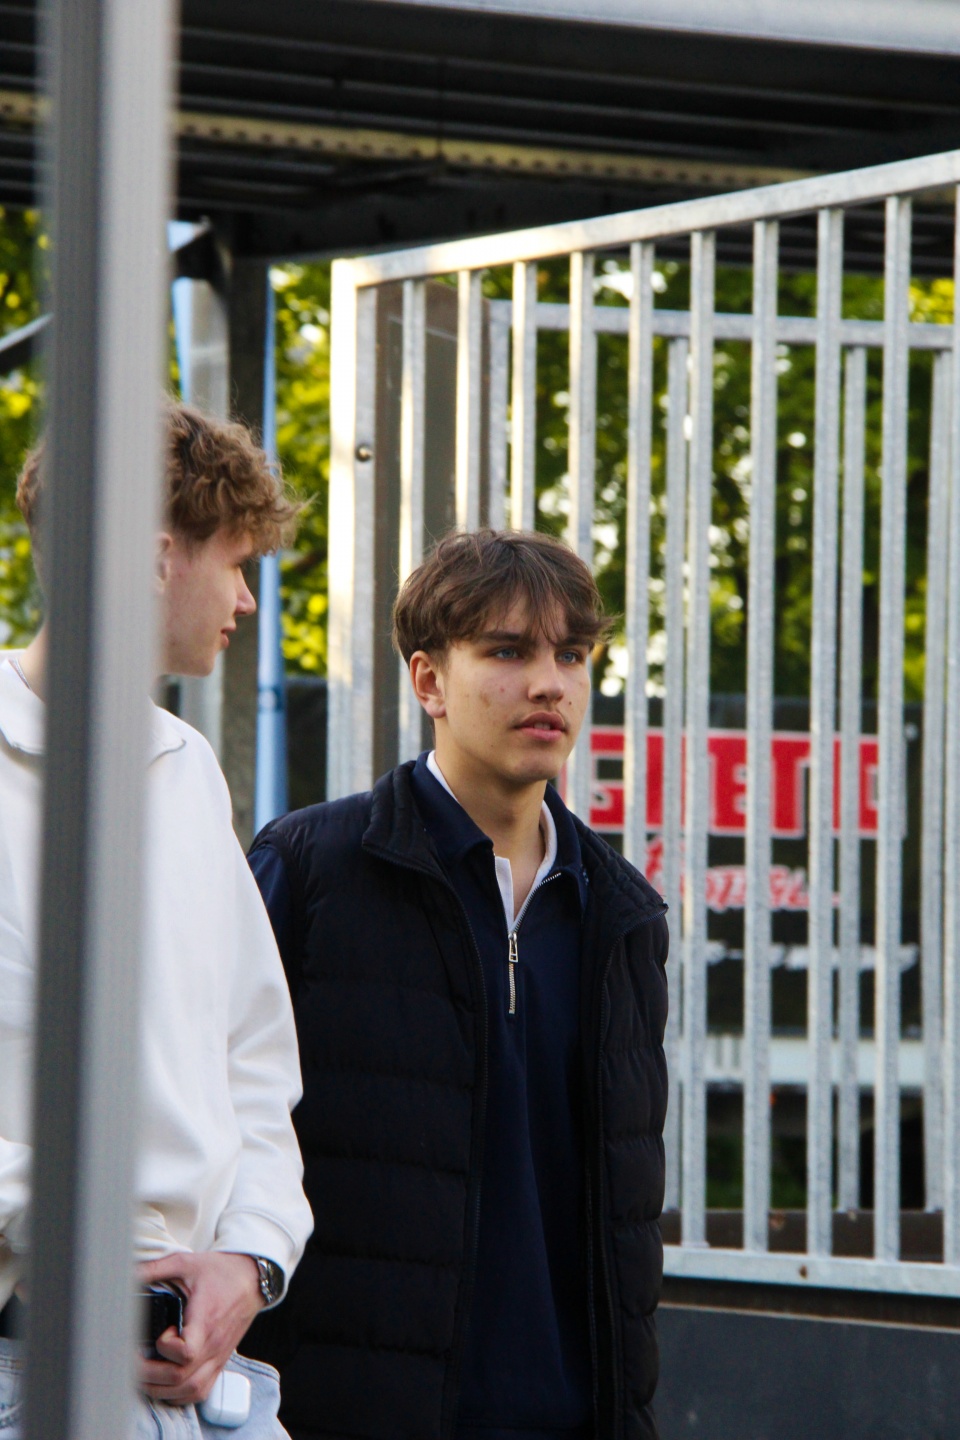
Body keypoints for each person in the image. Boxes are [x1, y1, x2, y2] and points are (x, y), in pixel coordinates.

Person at [245, 528, 669, 1440]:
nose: (549, 683)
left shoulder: (622, 915)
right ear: (429, 680)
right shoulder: (312, 869)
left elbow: (623, 1224)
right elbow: (222, 1122)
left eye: (571, 655)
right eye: (508, 652)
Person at [0, 402, 314, 1438]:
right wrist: (84, 1228)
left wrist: (251, 1259)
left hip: (201, 1389)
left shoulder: (187, 772)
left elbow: (255, 1060)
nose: (248, 599)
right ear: (154, 555)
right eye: (236, 562)